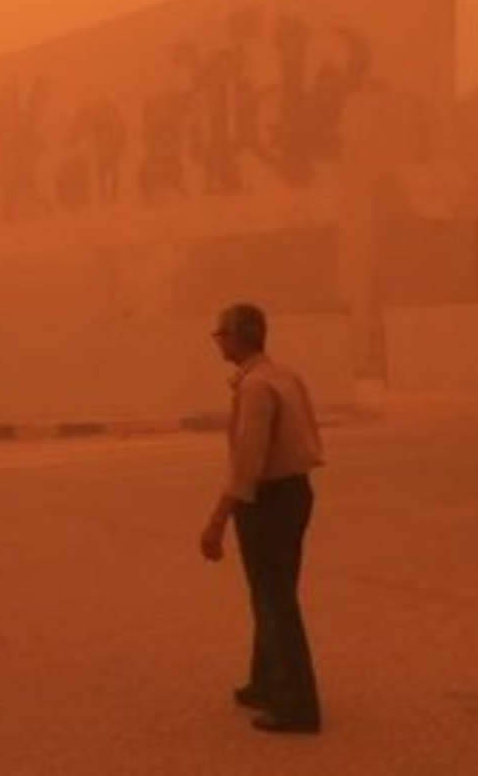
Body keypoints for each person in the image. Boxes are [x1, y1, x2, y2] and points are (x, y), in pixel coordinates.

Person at [199, 302, 324, 734]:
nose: (217, 340)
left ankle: (297, 706)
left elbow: (247, 464)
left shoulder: (254, 388)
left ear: (236, 337)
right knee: (270, 592)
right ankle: (266, 681)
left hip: (269, 500)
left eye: (220, 333)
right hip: (296, 493)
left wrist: (216, 521)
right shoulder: (283, 375)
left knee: (275, 600)